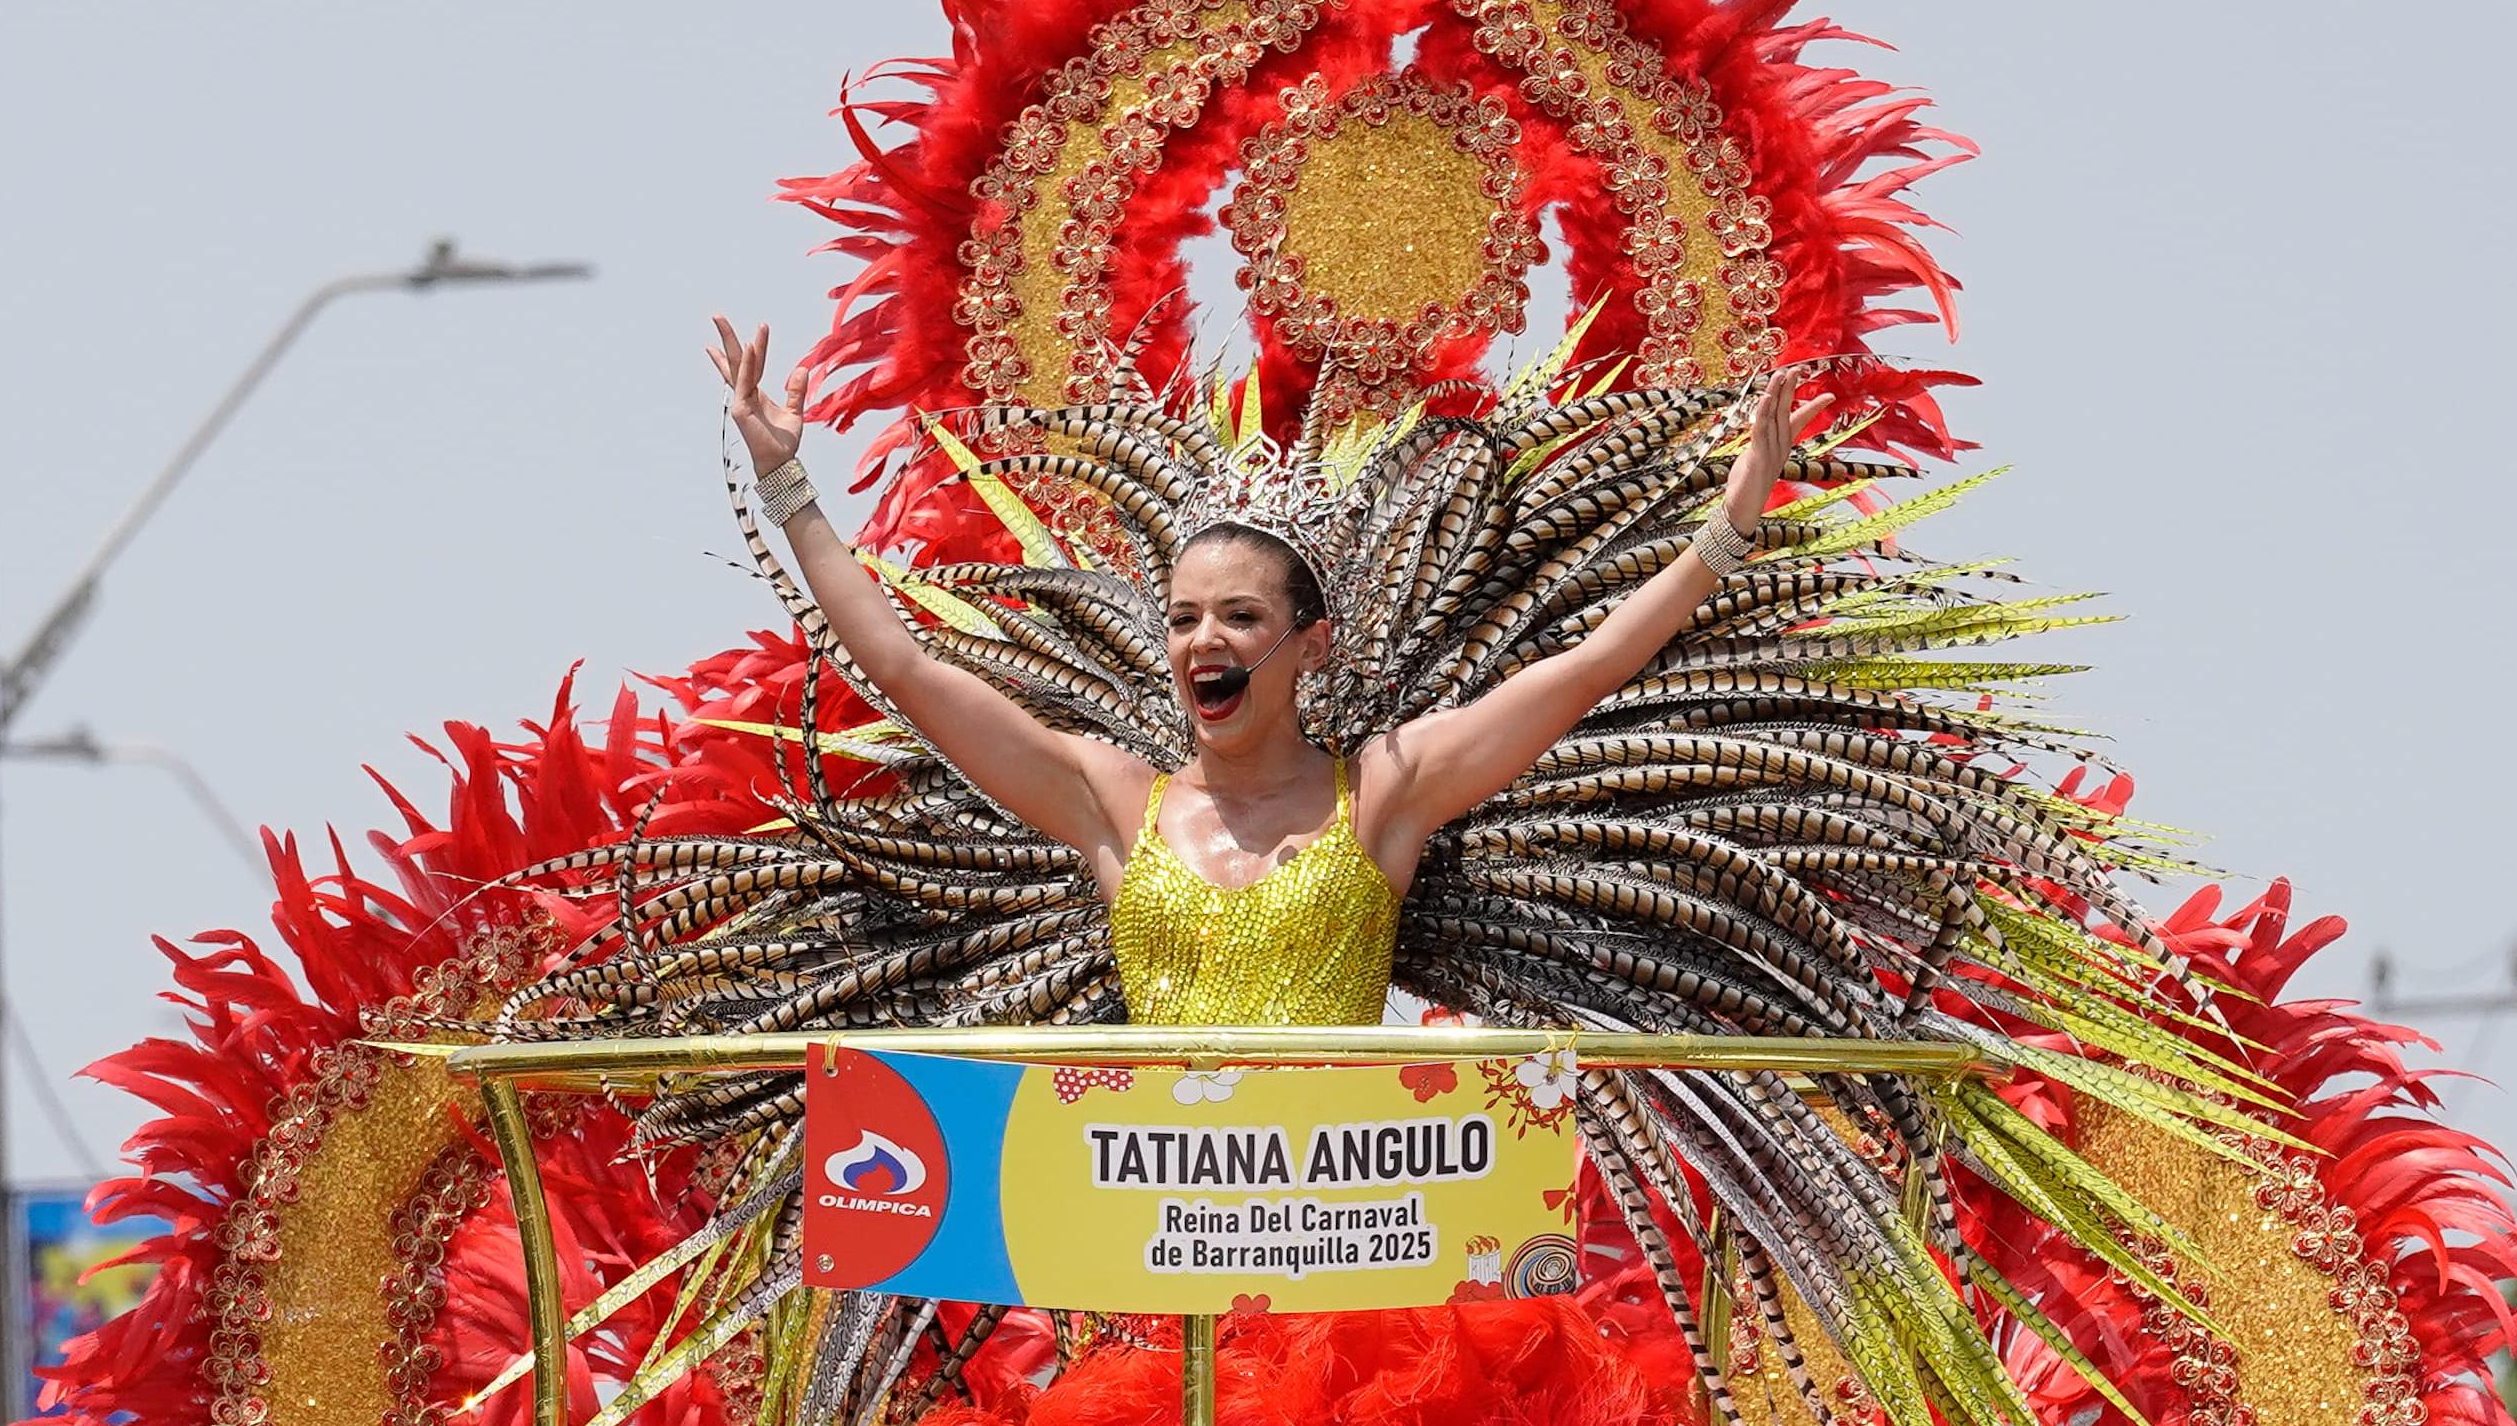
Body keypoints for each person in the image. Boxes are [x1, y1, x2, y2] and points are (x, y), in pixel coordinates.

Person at [708, 316, 1823, 1029]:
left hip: (1345, 1245)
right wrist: (790, 488)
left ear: (1309, 641)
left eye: (1241, 616)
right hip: (1161, 1254)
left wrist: (1720, 536)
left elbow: (1582, 672)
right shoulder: (1111, 801)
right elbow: (902, 665)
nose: (1208, 640)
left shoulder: (1382, 791)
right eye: (1186, 617)